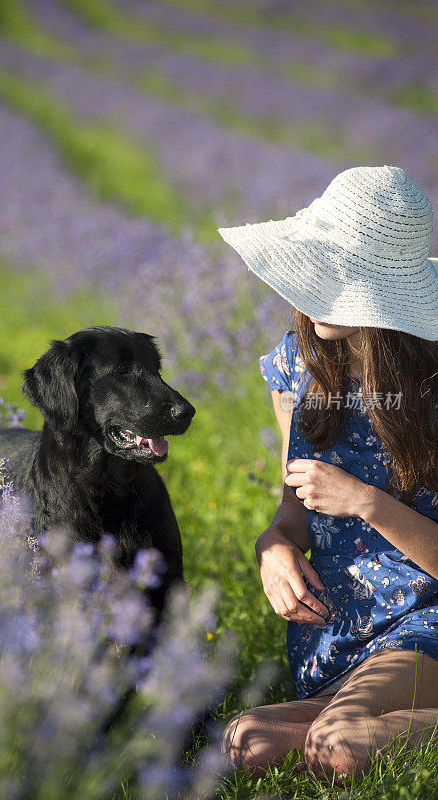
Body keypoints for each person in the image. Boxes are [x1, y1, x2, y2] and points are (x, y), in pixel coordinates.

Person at [217, 166, 438, 781]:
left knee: (338, 745)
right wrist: (274, 546)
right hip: (336, 624)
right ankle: (345, 723)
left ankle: (346, 728)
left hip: (424, 620)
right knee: (245, 741)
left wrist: (367, 502)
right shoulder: (295, 365)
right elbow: (294, 505)